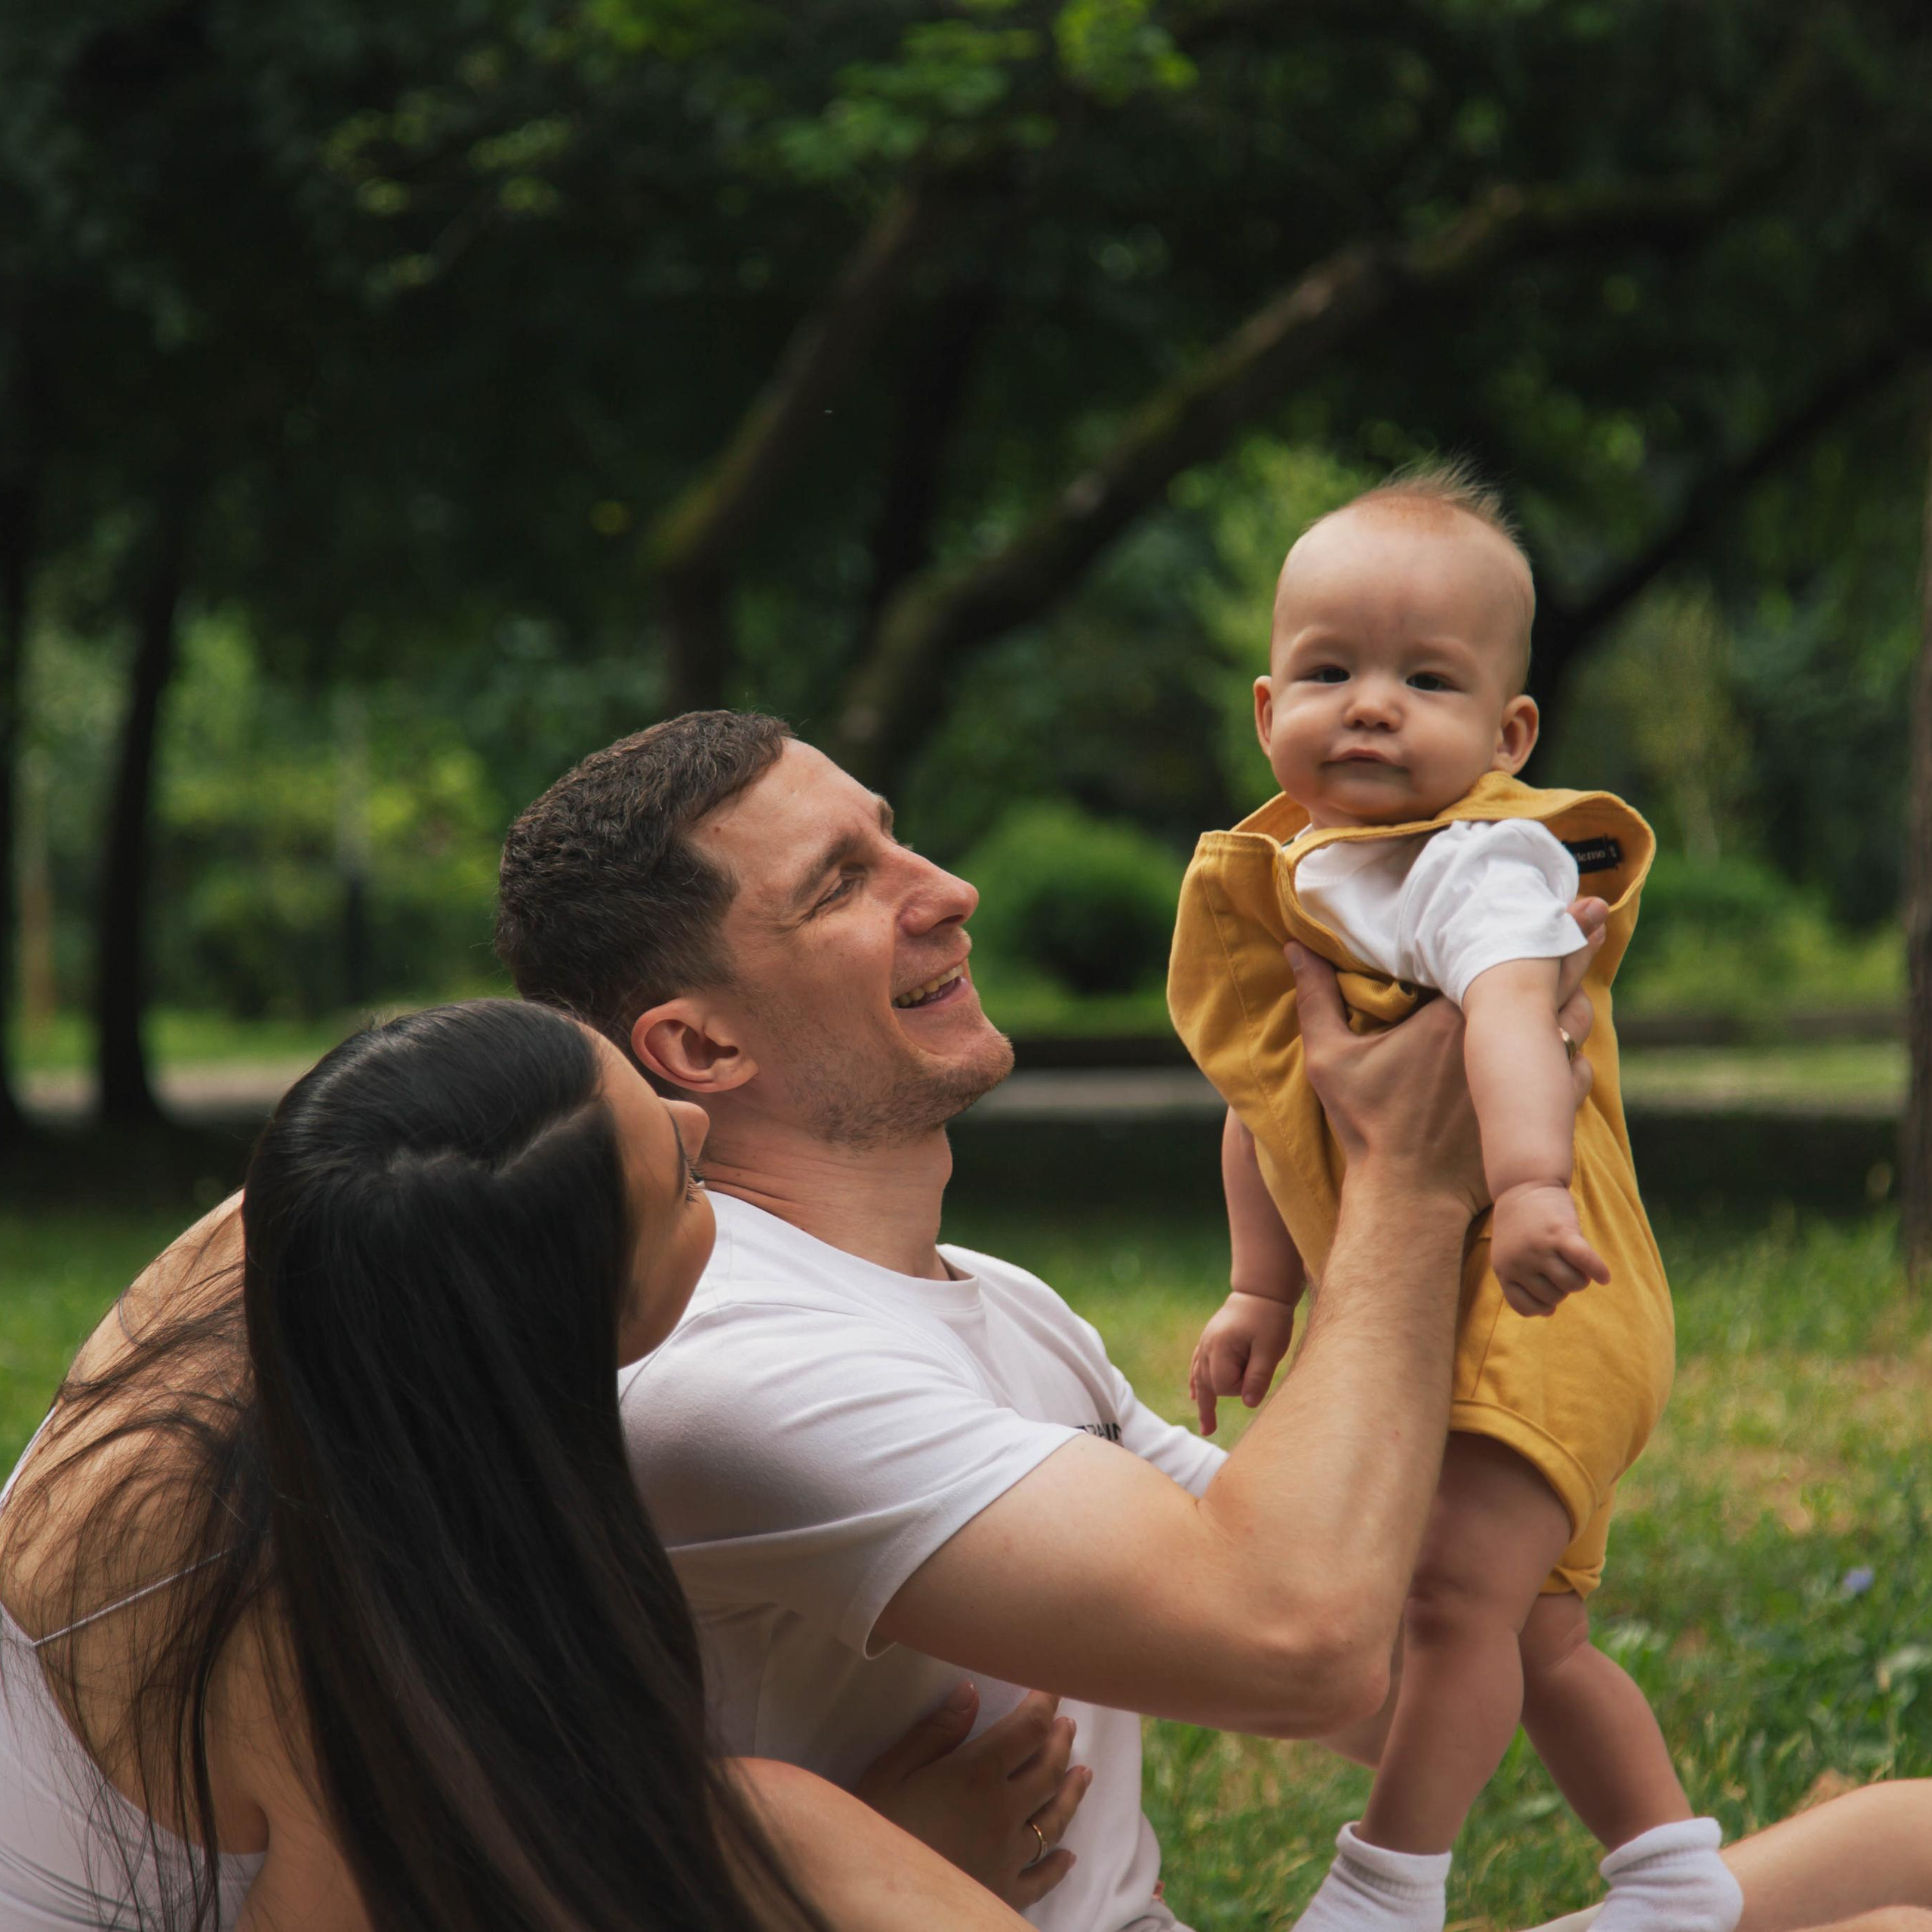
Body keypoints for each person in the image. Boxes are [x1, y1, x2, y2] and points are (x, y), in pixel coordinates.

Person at [495, 710, 1932, 1932]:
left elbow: (1378, 1669)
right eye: (843, 884)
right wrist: (1408, 1191)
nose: (948, 889)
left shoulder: (998, 1303)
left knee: (1900, 1836)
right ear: (700, 1046)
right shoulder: (737, 1360)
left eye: (899, 837)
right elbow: (1299, 1639)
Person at [0, 999, 1068, 1930]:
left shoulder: (357, 1212)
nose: (701, 1123)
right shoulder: (336, 1642)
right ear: (573, 1341)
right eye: (690, 1185)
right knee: (800, 1837)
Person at [1168, 463, 1721, 1932]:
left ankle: (1380, 1890)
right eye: (1328, 670)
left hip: (1540, 1284)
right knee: (1534, 1635)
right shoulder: (1296, 874)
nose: (1368, 705)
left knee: (1441, 1600)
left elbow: (1504, 1026)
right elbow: (1271, 1095)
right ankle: (1672, 1870)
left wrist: (1532, 1184)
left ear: (1506, 730)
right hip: (1475, 1294)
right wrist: (1257, 1287)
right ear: (1261, 705)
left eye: (1425, 678)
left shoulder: (1478, 866)